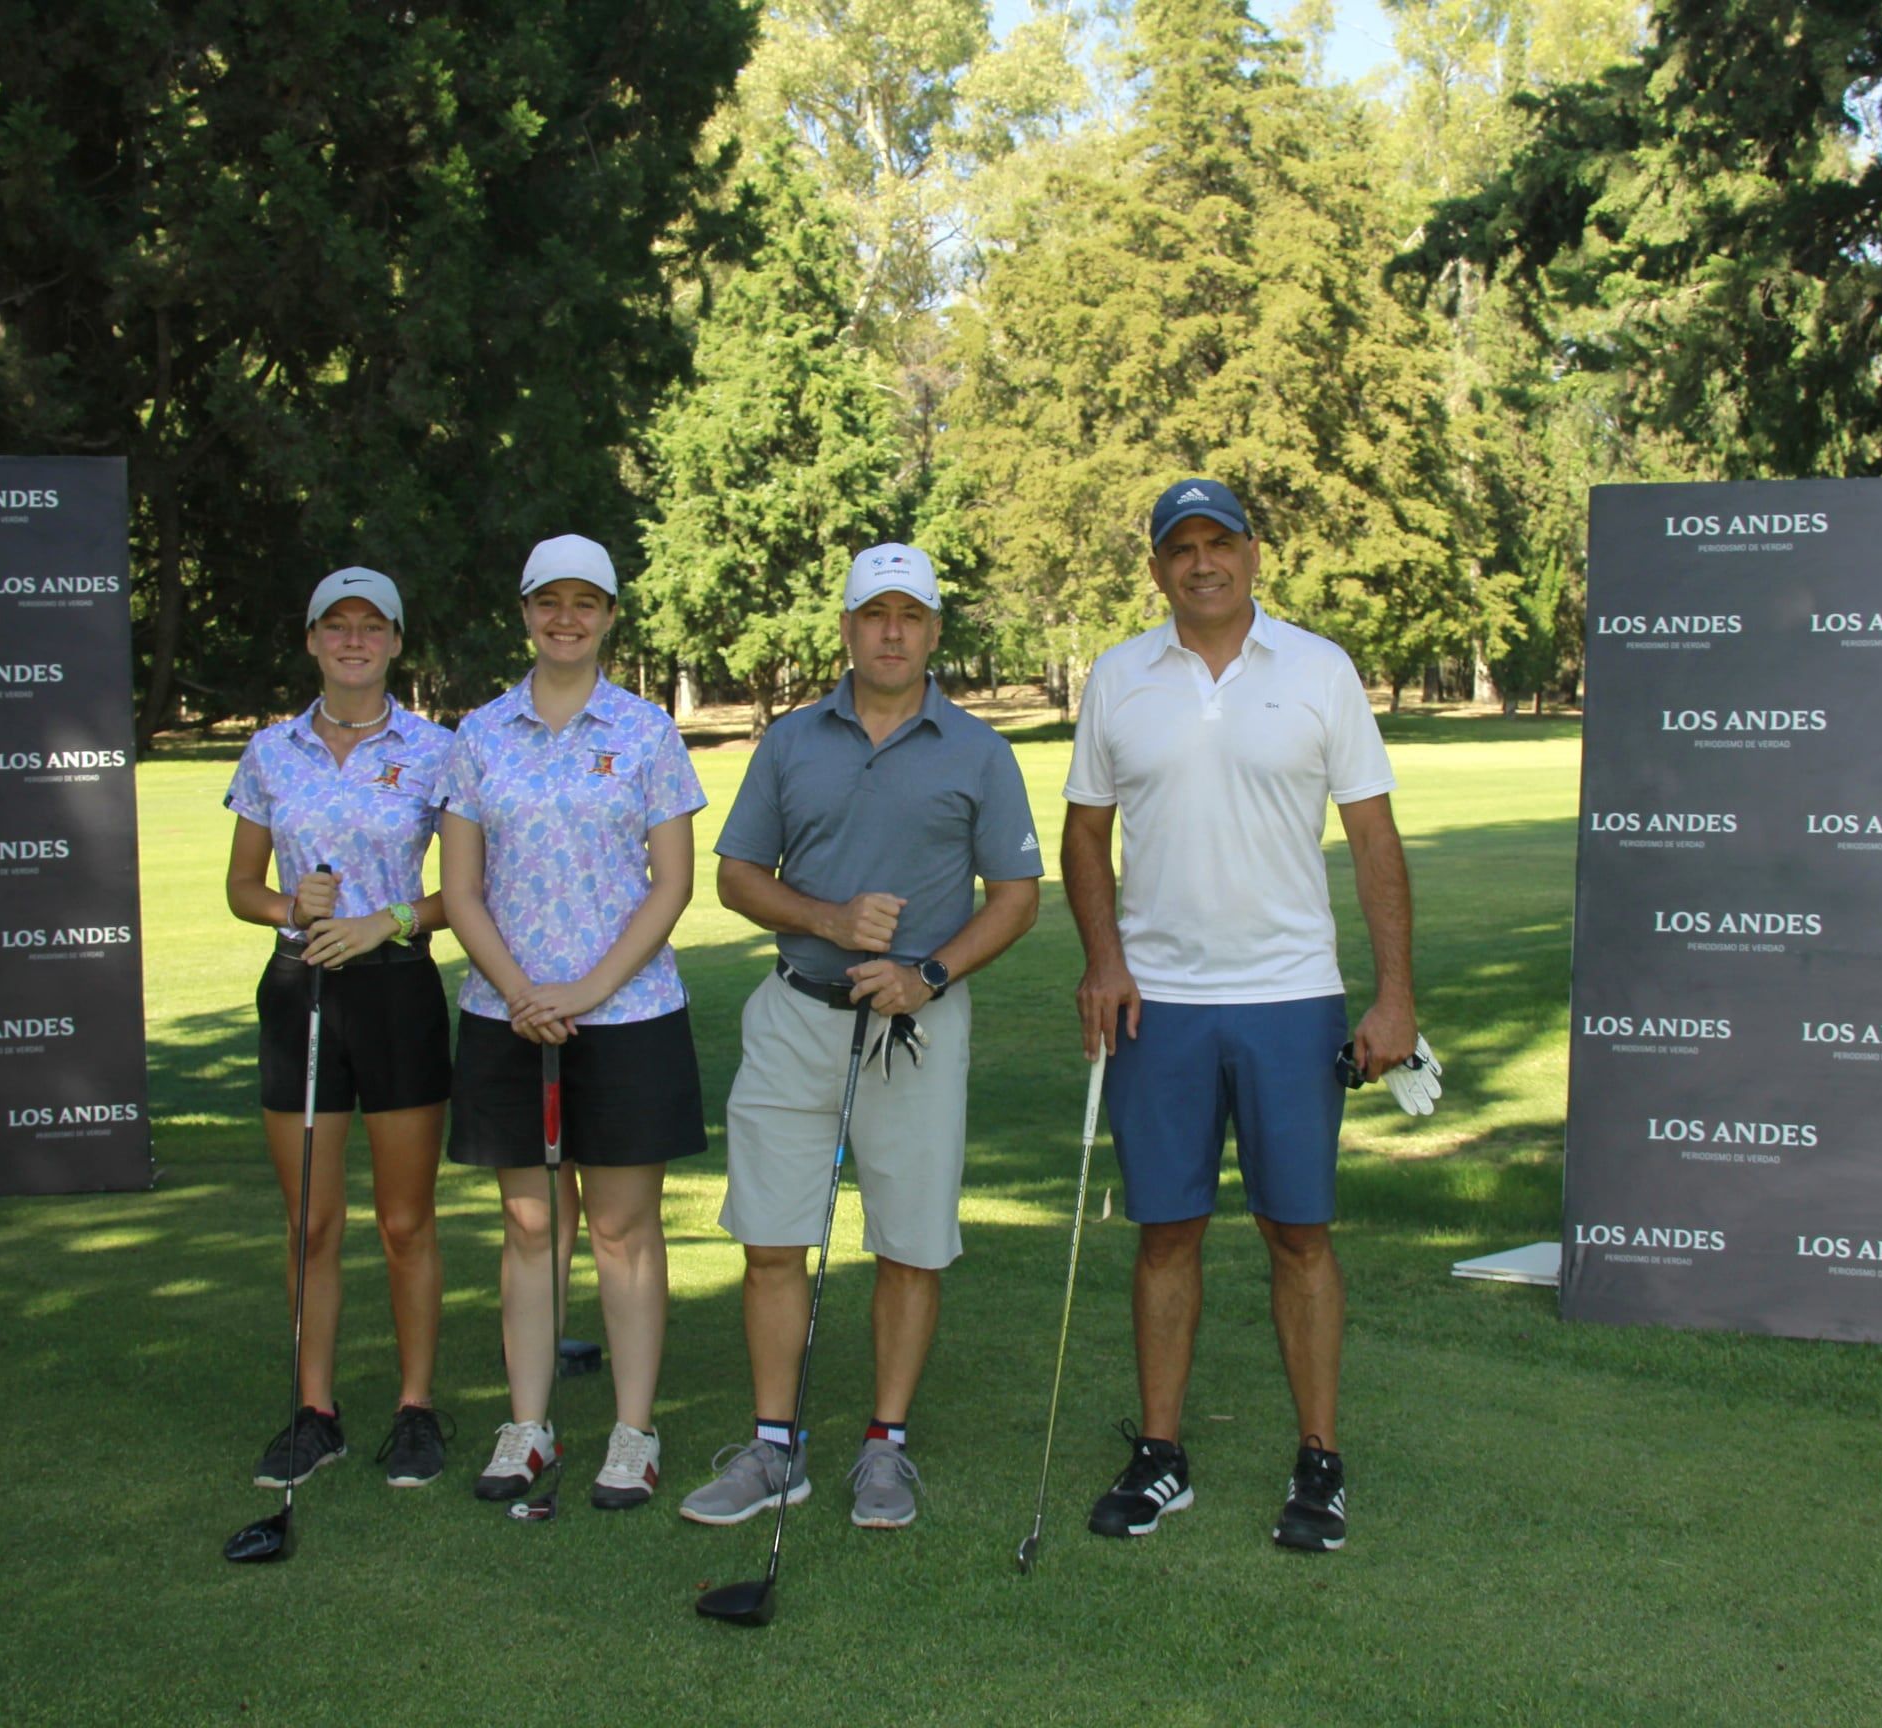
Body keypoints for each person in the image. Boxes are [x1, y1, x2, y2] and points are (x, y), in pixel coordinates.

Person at [1063, 478, 1423, 1554]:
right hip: (1158, 1005)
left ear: (1255, 554)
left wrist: (1395, 993)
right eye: (1183, 549)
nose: (1203, 563)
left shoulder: (1319, 669)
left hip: (1290, 996)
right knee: (1166, 1231)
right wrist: (1103, 959)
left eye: (1221, 543)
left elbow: (1371, 837)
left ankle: (1320, 1463)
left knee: (1297, 1234)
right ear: (1159, 566)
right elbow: (1085, 835)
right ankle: (1161, 1454)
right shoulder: (1120, 677)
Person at [680, 542, 1042, 1533]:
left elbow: (1016, 900)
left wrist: (927, 973)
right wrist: (834, 923)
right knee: (771, 1235)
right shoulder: (793, 742)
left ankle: (885, 1448)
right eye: (874, 615)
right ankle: (773, 1447)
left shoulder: (978, 751)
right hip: (798, 1010)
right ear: (846, 629)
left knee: (911, 1244)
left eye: (911, 617)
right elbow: (738, 877)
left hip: (917, 1028)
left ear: (933, 631)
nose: (892, 632)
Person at [439, 534, 708, 1512]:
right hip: (507, 1011)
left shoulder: (645, 733)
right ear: (524, 613)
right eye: (548, 602)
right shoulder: (477, 736)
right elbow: (460, 890)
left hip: (628, 1011)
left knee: (626, 1227)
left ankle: (634, 1432)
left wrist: (587, 992)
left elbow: (671, 883)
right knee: (529, 1224)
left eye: (584, 602)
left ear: (607, 615)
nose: (566, 618)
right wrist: (522, 991)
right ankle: (530, 1424)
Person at [224, 566, 458, 1491]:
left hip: (397, 990)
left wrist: (391, 919)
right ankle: (314, 1411)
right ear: (313, 640)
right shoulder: (271, 751)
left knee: (405, 1221)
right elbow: (243, 887)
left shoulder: (437, 750)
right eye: (337, 626)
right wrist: (293, 904)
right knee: (311, 1222)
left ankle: (414, 1407)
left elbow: (466, 892)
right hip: (301, 992)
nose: (354, 641)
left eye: (373, 627)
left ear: (396, 642)